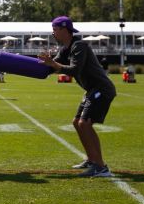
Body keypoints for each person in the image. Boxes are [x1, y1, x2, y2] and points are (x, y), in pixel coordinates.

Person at [39, 16, 116, 178]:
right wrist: (28, 64)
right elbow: (53, 67)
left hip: (102, 88)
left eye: (55, 29)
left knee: (85, 123)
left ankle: (100, 166)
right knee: (77, 123)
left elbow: (74, 70)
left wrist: (53, 64)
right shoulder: (65, 48)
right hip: (91, 89)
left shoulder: (79, 45)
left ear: (64, 29)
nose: (53, 32)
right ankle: (91, 159)